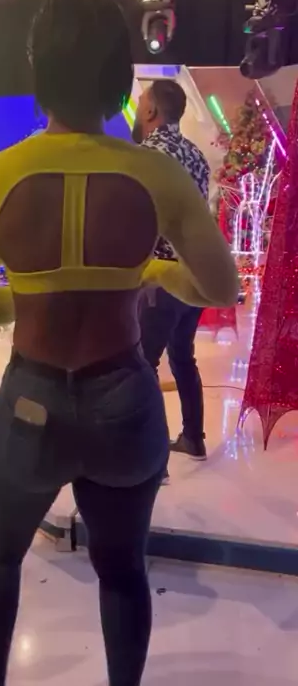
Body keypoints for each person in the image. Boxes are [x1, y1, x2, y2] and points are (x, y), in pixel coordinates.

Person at [0, 0, 238, 686]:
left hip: (31, 397)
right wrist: (153, 271)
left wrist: (39, 289)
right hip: (123, 399)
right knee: (122, 568)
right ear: (120, 77)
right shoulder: (156, 175)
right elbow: (220, 287)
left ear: (39, 70)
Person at [133, 80, 211, 461]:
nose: (137, 109)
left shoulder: (145, 156)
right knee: (182, 357)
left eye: (140, 103)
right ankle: (194, 437)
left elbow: (138, 221)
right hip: (194, 277)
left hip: (160, 280)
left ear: (151, 111)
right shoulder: (197, 155)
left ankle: (152, 457)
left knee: (143, 364)